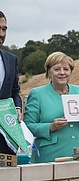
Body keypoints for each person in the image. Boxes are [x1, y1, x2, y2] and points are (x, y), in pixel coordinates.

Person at [23, 52, 79, 163]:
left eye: (66, 69)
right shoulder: (37, 94)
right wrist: (51, 127)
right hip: (50, 154)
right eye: (57, 69)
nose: (62, 73)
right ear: (48, 72)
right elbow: (29, 124)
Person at [0, 11, 22, 155]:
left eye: (4, 29)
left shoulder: (11, 59)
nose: (2, 34)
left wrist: (18, 107)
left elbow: (15, 92)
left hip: (5, 141)